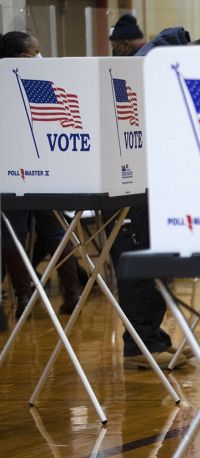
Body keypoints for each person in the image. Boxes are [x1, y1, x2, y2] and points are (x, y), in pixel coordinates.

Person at [1, 31, 81, 318]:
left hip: (17, 167)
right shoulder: (39, 81)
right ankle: (71, 292)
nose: (39, 58)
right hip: (37, 166)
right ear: (18, 57)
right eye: (33, 53)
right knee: (50, 228)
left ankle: (26, 293)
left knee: (16, 230)